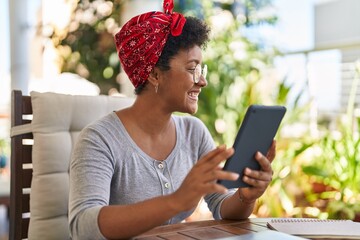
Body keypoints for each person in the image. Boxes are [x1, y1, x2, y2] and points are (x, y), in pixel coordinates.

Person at [68, 0, 275, 239]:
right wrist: (175, 201)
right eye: (192, 69)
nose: (202, 81)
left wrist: (245, 197)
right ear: (155, 74)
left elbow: (222, 205)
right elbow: (83, 227)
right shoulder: (99, 139)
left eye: (202, 69)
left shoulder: (193, 133)